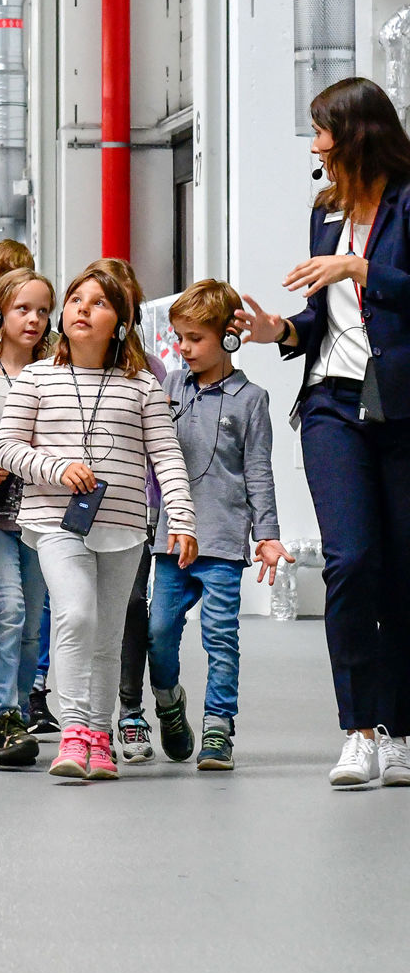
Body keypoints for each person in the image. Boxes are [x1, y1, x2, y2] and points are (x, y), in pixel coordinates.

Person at [235, 77, 410, 788]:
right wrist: (279, 330)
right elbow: (325, 320)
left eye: (323, 133)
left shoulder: (405, 202)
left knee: (400, 570)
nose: (315, 147)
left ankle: (400, 730)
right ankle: (358, 730)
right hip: (332, 405)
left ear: (357, 135)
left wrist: (361, 264)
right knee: (351, 562)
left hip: (399, 406)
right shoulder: (325, 211)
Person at [0, 264, 197, 780]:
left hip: (126, 525)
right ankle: (74, 732)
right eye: (76, 300)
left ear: (122, 323)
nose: (83, 308)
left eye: (100, 303)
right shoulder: (37, 378)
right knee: (77, 615)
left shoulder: (142, 386)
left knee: (108, 637)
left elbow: (167, 456)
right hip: (54, 521)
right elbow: (9, 448)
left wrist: (182, 517)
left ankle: (100, 736)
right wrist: (58, 468)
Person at [147, 279, 293, 771]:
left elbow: (258, 470)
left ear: (228, 339)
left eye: (195, 339)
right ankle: (169, 702)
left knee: (220, 637)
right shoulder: (168, 387)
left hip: (224, 542)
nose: (184, 349)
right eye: (179, 338)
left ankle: (218, 728)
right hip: (170, 540)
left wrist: (267, 534)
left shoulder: (251, 400)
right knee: (159, 632)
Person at [0, 267, 56, 766]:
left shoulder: (54, 375)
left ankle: (19, 713)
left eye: (44, 311)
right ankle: (2, 714)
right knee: (9, 609)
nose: (35, 320)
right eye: (24, 309)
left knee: (32, 623)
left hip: (43, 514)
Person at [94, 256, 167, 764]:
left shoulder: (152, 372)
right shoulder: (65, 364)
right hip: (74, 510)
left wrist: (164, 510)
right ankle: (85, 716)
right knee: (81, 611)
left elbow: (161, 450)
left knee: (131, 604)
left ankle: (130, 709)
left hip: (133, 510)